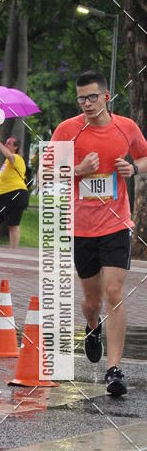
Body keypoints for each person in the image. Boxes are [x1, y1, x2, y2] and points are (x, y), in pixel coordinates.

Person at [51, 70, 147, 397]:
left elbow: (145, 156)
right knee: (92, 301)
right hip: (82, 229)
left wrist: (133, 168)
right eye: (81, 98)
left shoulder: (126, 128)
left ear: (107, 96)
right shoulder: (68, 130)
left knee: (114, 292)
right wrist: (78, 171)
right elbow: (46, 172)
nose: (87, 104)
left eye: (93, 97)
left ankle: (114, 369)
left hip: (117, 224)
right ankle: (92, 327)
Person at [0, 133, 29, 249]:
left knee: (13, 225)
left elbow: (9, 155)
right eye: (5, 142)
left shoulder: (17, 158)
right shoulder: (7, 162)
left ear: (15, 147)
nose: (5, 144)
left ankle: (13, 253)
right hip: (1, 195)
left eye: (8, 143)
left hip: (16, 194)